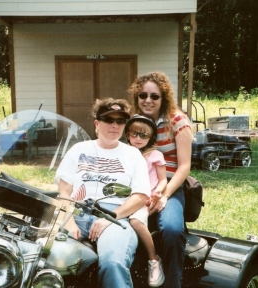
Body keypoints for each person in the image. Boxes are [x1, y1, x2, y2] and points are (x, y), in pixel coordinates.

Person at [55, 98, 151, 287]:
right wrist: (69, 221)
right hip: (75, 212)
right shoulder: (78, 149)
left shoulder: (133, 155)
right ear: (97, 124)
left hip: (116, 216)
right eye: (109, 120)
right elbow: (64, 191)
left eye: (120, 121)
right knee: (46, 255)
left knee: (113, 263)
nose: (115, 125)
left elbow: (140, 196)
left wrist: (110, 217)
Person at [128, 72, 193, 287]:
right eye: (142, 95)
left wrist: (163, 195)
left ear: (163, 98)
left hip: (170, 186)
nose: (148, 100)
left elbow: (184, 166)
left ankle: (173, 282)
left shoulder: (177, 120)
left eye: (154, 96)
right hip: (136, 187)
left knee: (172, 229)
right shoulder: (135, 122)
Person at [124, 114, 167, 287]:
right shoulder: (123, 152)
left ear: (151, 138)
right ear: (127, 134)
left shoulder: (154, 155)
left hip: (145, 199)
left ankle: (153, 259)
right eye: (134, 134)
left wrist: (158, 192)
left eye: (144, 135)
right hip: (125, 196)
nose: (138, 139)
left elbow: (163, 179)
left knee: (135, 221)